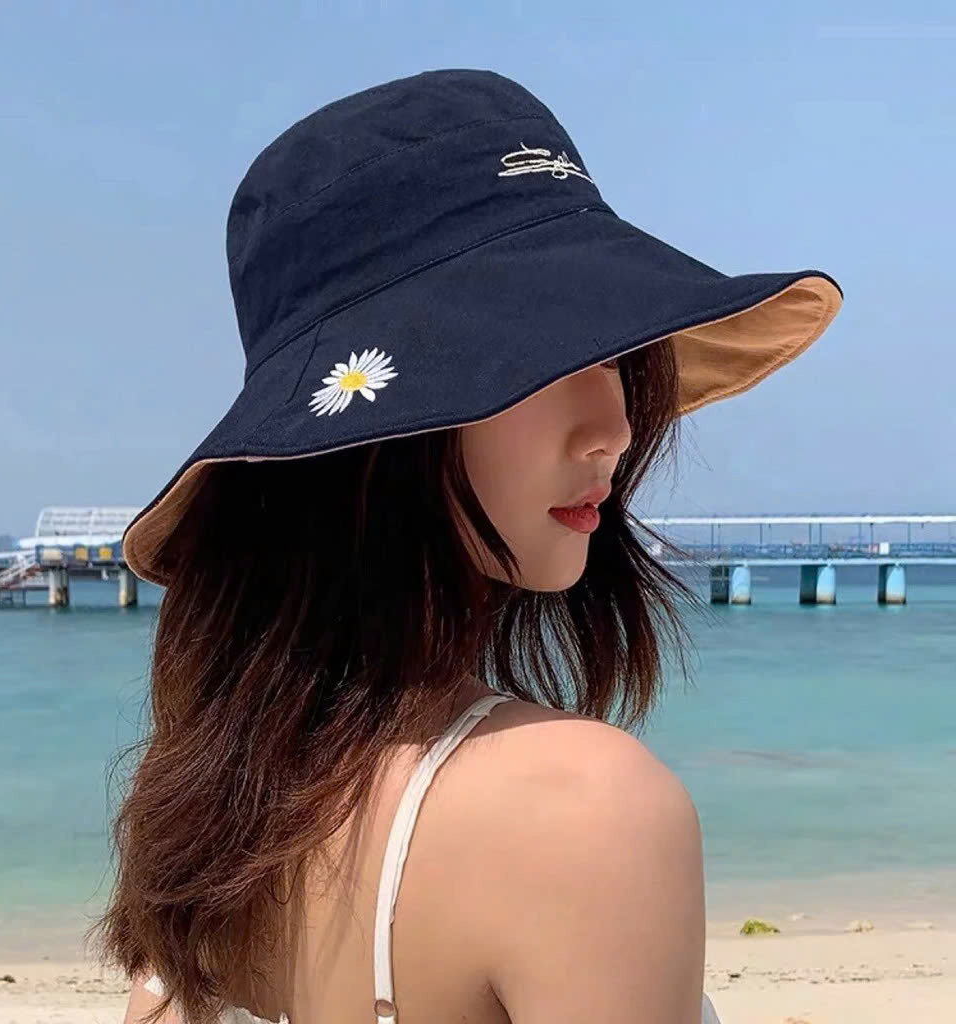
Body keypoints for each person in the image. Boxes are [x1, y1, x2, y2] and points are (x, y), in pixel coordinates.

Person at [92, 69, 843, 1024]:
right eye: (542, 360)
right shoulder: (581, 809)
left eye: (614, 357)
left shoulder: (207, 828)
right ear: (381, 435)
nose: (613, 428)